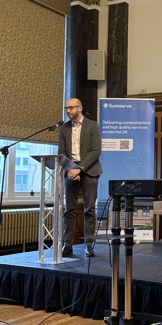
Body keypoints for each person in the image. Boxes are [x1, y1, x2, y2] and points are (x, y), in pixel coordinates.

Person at [58, 98, 102, 257]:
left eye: (71, 108)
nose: (68, 111)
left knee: (89, 209)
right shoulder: (64, 128)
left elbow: (96, 151)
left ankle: (89, 244)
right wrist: (71, 169)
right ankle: (67, 245)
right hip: (71, 171)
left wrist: (80, 169)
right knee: (69, 210)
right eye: (66, 108)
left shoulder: (93, 125)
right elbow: (62, 152)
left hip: (89, 171)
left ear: (80, 108)